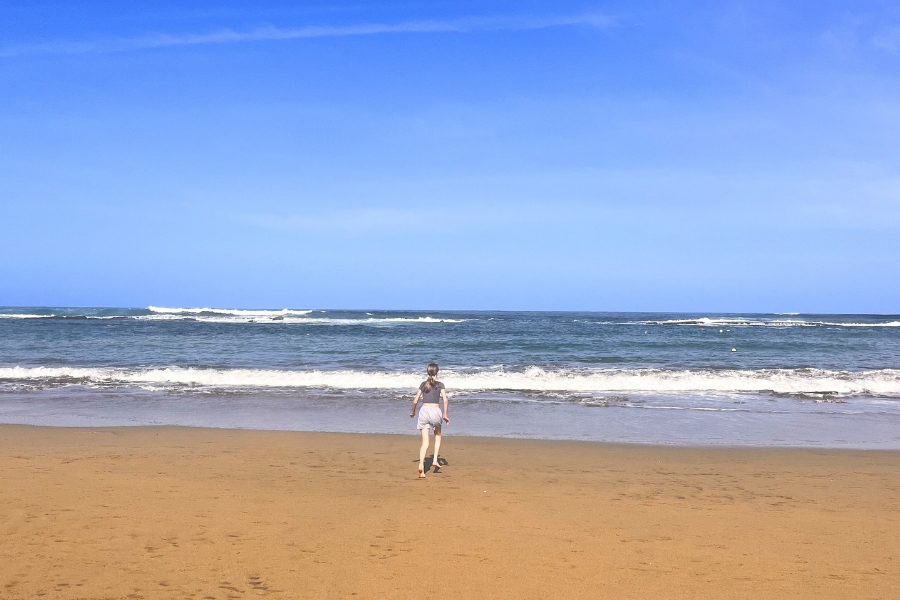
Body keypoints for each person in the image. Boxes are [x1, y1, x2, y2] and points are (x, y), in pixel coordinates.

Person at [409, 363, 450, 478]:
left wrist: (413, 412)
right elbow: (445, 401)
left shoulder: (423, 384)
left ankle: (421, 465)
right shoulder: (440, 385)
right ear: (437, 372)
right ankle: (435, 460)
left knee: (425, 443)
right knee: (437, 435)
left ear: (427, 372)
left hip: (424, 411)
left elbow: (415, 401)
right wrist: (445, 415)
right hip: (435, 411)